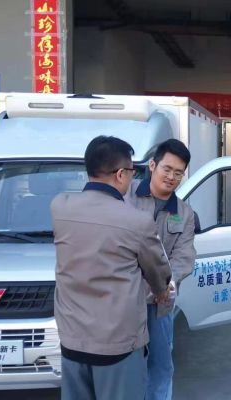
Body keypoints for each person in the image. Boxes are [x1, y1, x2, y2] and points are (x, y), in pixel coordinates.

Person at [51, 136, 171, 400]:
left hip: (72, 341)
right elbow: (158, 270)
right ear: (120, 174)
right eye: (131, 172)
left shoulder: (60, 207)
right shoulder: (136, 221)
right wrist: (161, 291)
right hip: (118, 345)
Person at [124, 139, 196, 400]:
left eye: (178, 173)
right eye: (167, 169)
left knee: (161, 365)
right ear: (153, 165)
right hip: (123, 302)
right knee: (125, 365)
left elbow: (184, 255)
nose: (171, 177)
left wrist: (169, 283)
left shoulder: (184, 213)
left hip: (160, 303)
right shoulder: (126, 196)